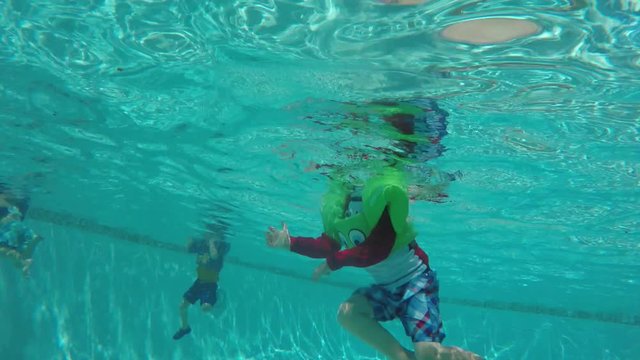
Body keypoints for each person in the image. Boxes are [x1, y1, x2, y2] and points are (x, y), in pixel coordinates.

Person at [265, 169, 481, 360]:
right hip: (386, 289)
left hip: (416, 284)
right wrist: (290, 243)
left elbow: (376, 250)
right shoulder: (343, 201)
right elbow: (328, 244)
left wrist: (334, 262)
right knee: (348, 314)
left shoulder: (381, 195)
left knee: (427, 355)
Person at [173, 229, 231, 340]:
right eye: (207, 233)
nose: (208, 235)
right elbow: (188, 248)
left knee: (205, 308)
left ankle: (218, 297)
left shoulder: (221, 247)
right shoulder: (202, 245)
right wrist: (189, 239)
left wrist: (211, 242)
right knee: (182, 306)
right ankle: (184, 328)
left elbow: (214, 256)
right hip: (198, 282)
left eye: (212, 234)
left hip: (210, 284)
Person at [0, 183, 42, 277]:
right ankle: (24, 260)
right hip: (12, 217)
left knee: (14, 252)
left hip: (13, 218)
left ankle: (24, 261)